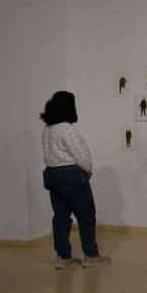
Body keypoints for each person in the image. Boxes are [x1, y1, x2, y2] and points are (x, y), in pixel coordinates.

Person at [41, 91, 111, 269]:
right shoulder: (67, 128)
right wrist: (88, 170)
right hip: (71, 175)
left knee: (61, 217)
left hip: (51, 175)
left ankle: (63, 256)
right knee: (85, 215)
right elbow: (81, 155)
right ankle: (91, 255)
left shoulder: (47, 128)